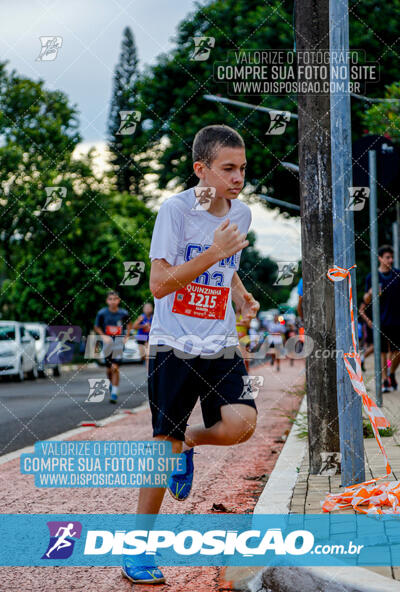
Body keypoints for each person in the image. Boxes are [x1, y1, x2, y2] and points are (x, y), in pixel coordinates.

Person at [122, 124, 259, 585]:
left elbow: (227, 262)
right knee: (163, 445)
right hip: (173, 345)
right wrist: (212, 253)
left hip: (219, 343)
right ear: (201, 169)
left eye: (242, 168)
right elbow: (160, 284)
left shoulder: (241, 216)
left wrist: (239, 294)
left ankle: (190, 446)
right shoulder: (175, 211)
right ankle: (138, 550)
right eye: (228, 169)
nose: (238, 177)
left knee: (242, 424)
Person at [364, 245, 400, 393]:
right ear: (380, 258)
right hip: (380, 320)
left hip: (397, 319)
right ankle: (385, 380)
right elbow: (366, 301)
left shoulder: (397, 274)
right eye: (387, 257)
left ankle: (391, 373)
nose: (390, 260)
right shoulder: (372, 277)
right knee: (382, 352)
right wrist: (371, 293)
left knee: (396, 351)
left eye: (392, 257)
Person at [94, 290, 133, 403]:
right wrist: (103, 336)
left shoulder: (123, 313)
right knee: (108, 369)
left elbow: (129, 324)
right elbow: (97, 327)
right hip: (107, 343)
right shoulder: (102, 313)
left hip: (118, 342)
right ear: (107, 301)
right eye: (110, 299)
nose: (112, 302)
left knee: (115, 367)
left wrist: (126, 336)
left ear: (119, 301)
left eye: (115, 299)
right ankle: (111, 384)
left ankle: (114, 392)